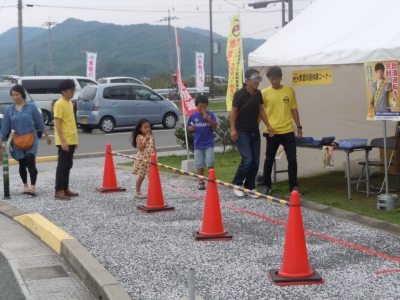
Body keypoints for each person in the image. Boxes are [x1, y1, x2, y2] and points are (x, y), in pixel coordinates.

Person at [0, 84, 52, 196]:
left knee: (30, 160)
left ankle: (32, 187)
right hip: (17, 141)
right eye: (13, 95)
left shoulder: (31, 107)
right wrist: (1, 139)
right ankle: (25, 186)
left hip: (31, 138)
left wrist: (47, 135)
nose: (15, 97)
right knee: (22, 163)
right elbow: (5, 127)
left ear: (22, 94)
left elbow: (39, 121)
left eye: (17, 94)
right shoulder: (10, 109)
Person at [230, 68, 274, 198]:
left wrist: (268, 125)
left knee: (255, 161)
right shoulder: (240, 94)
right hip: (242, 132)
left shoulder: (258, 94)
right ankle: (236, 184)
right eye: (255, 79)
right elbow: (233, 112)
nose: (257, 81)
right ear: (247, 80)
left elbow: (261, 111)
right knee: (247, 159)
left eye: (259, 78)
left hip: (254, 131)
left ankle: (249, 188)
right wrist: (233, 129)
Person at [261, 66, 302, 196]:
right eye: (271, 77)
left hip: (288, 130)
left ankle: (293, 187)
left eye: (276, 77)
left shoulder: (289, 90)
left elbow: (294, 109)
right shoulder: (265, 92)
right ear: (268, 78)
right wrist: (267, 125)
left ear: (280, 77)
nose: (274, 79)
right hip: (272, 131)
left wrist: (299, 126)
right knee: (269, 159)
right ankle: (266, 186)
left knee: (292, 159)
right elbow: (261, 112)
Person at [53, 79, 79, 200]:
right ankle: (58, 190)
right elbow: (57, 123)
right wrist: (63, 141)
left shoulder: (69, 103)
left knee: (69, 165)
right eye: (70, 90)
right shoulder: (59, 104)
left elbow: (71, 122)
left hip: (71, 139)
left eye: (73, 90)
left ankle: (65, 188)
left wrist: (75, 140)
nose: (72, 93)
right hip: (64, 140)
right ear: (63, 91)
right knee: (62, 165)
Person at [187, 95, 218, 190]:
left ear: (207, 106)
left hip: (209, 143)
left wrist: (208, 119)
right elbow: (189, 127)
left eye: (204, 106)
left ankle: (211, 179)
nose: (202, 108)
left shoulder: (210, 114)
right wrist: (191, 128)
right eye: (200, 106)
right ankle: (201, 181)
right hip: (198, 143)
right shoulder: (193, 116)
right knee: (199, 163)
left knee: (210, 161)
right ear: (196, 106)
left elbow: (215, 126)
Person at [131, 118, 156, 199]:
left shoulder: (151, 137)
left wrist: (155, 157)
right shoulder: (139, 137)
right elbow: (140, 148)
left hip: (150, 160)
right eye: (145, 127)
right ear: (140, 128)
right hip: (142, 160)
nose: (147, 129)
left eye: (148, 127)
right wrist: (145, 140)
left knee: (151, 176)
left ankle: (153, 192)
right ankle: (138, 191)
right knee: (141, 177)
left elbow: (153, 148)